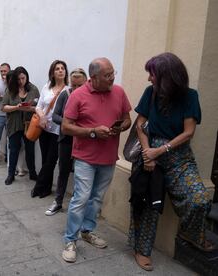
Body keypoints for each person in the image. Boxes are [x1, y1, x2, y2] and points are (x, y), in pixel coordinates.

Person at [128, 52, 213, 271]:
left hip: (179, 157)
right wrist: (148, 152)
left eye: (152, 74)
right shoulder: (151, 93)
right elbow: (140, 125)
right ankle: (141, 250)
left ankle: (191, 233)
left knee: (199, 199)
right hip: (150, 153)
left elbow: (188, 132)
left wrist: (161, 150)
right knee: (147, 204)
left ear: (167, 76)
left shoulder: (190, 96)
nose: (149, 79)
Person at [61, 57, 132, 263]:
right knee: (81, 198)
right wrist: (92, 132)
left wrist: (121, 126)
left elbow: (127, 119)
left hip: (109, 157)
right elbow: (66, 126)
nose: (112, 78)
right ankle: (70, 239)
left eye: (113, 73)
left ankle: (87, 230)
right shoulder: (78, 95)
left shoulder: (118, 92)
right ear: (94, 78)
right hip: (85, 158)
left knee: (97, 198)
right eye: (107, 75)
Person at [45, 68, 88, 216]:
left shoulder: (90, 96)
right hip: (66, 139)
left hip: (84, 141)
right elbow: (55, 115)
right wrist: (68, 123)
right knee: (63, 171)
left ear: (86, 83)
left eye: (79, 86)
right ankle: (58, 202)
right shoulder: (65, 94)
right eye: (73, 85)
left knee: (82, 175)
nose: (76, 89)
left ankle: (79, 207)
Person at [31, 60, 71, 198]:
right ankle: (46, 188)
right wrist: (42, 117)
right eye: (57, 69)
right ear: (52, 73)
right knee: (45, 159)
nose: (60, 70)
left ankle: (38, 187)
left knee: (51, 160)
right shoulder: (47, 86)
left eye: (62, 68)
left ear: (65, 72)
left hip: (57, 131)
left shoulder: (68, 90)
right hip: (44, 128)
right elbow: (38, 106)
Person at [2, 67, 39, 185]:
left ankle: (33, 173)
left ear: (27, 77)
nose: (21, 81)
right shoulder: (11, 90)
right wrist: (16, 107)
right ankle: (11, 175)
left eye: (23, 78)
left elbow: (39, 106)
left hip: (29, 124)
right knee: (13, 150)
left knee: (30, 150)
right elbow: (3, 107)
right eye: (18, 79)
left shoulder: (33, 89)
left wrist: (30, 107)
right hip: (14, 124)